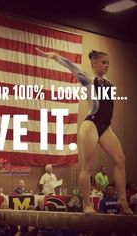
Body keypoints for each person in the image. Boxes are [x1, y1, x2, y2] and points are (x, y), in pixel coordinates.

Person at [36, 47, 133, 214]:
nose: (107, 65)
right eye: (104, 62)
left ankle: (122, 201)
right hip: (92, 124)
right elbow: (71, 66)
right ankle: (87, 204)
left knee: (120, 159)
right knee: (87, 165)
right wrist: (54, 56)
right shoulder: (88, 78)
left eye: (108, 63)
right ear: (94, 62)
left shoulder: (108, 81)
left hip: (106, 126)